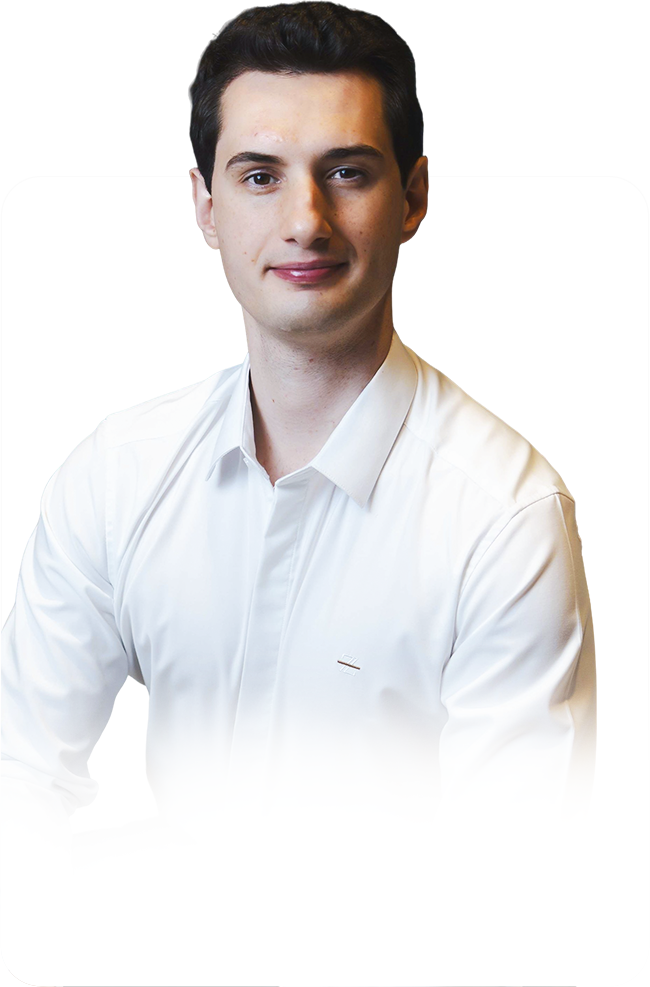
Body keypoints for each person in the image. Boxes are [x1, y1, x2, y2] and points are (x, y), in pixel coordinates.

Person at [1, 4, 596, 978]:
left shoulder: (503, 515)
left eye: (347, 172)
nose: (304, 221)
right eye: (259, 175)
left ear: (412, 199)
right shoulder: (116, 475)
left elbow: (516, 884)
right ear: (204, 208)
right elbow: (18, 778)